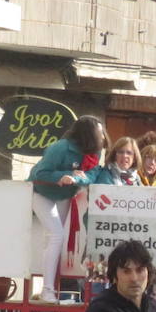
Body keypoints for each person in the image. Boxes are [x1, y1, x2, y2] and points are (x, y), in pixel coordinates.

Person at [28, 115, 108, 301]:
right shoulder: (60, 148)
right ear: (88, 133)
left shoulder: (93, 152)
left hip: (64, 196)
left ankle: (51, 286)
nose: (103, 137)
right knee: (56, 235)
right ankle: (47, 289)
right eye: (99, 132)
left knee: (55, 240)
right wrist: (66, 174)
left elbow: (91, 173)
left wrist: (78, 178)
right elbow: (40, 173)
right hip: (41, 192)